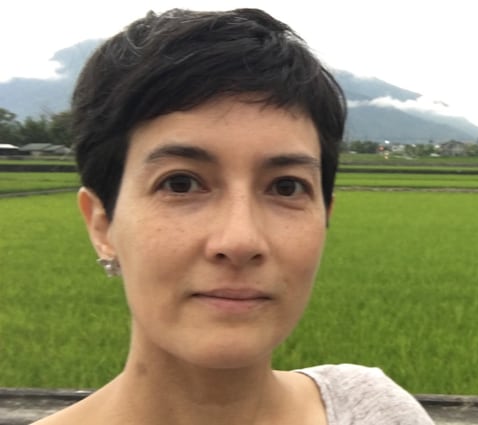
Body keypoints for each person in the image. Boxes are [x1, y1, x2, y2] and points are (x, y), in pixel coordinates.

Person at [34, 8, 434, 425]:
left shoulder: (374, 412)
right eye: (180, 184)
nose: (240, 240)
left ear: (325, 217)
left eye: (286, 187)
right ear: (102, 224)